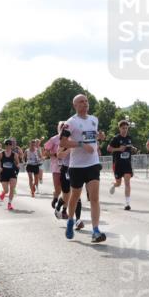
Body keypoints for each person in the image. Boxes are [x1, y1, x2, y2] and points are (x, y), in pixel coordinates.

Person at [60, 95, 104, 242]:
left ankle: (96, 230)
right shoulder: (71, 122)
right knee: (75, 196)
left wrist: (99, 136)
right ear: (75, 105)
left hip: (92, 163)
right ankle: (70, 220)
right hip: (77, 166)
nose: (85, 103)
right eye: (81, 102)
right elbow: (63, 141)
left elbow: (92, 136)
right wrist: (80, 144)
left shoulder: (94, 119)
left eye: (86, 101)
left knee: (94, 198)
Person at [107, 120, 137, 210]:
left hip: (127, 164)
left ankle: (127, 203)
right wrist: (119, 149)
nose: (125, 130)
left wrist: (133, 149)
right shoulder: (116, 138)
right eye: (123, 128)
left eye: (126, 128)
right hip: (118, 164)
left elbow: (130, 147)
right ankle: (114, 185)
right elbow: (109, 149)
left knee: (127, 182)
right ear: (119, 128)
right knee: (119, 183)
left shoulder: (129, 138)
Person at [44, 124, 66, 214]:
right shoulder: (54, 139)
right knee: (58, 189)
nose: (64, 129)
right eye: (62, 127)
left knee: (67, 189)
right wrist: (54, 155)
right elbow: (45, 152)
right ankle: (55, 198)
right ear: (59, 129)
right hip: (56, 167)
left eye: (66, 127)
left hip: (68, 166)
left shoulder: (71, 138)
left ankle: (64, 210)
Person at [0, 139, 22, 210]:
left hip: (12, 172)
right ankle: (3, 193)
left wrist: (18, 165)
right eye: (6, 144)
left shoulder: (14, 154)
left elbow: (17, 163)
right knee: (6, 190)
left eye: (9, 144)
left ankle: (9, 203)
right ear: (4, 145)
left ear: (11, 146)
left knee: (12, 188)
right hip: (4, 173)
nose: (8, 146)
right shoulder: (1, 154)